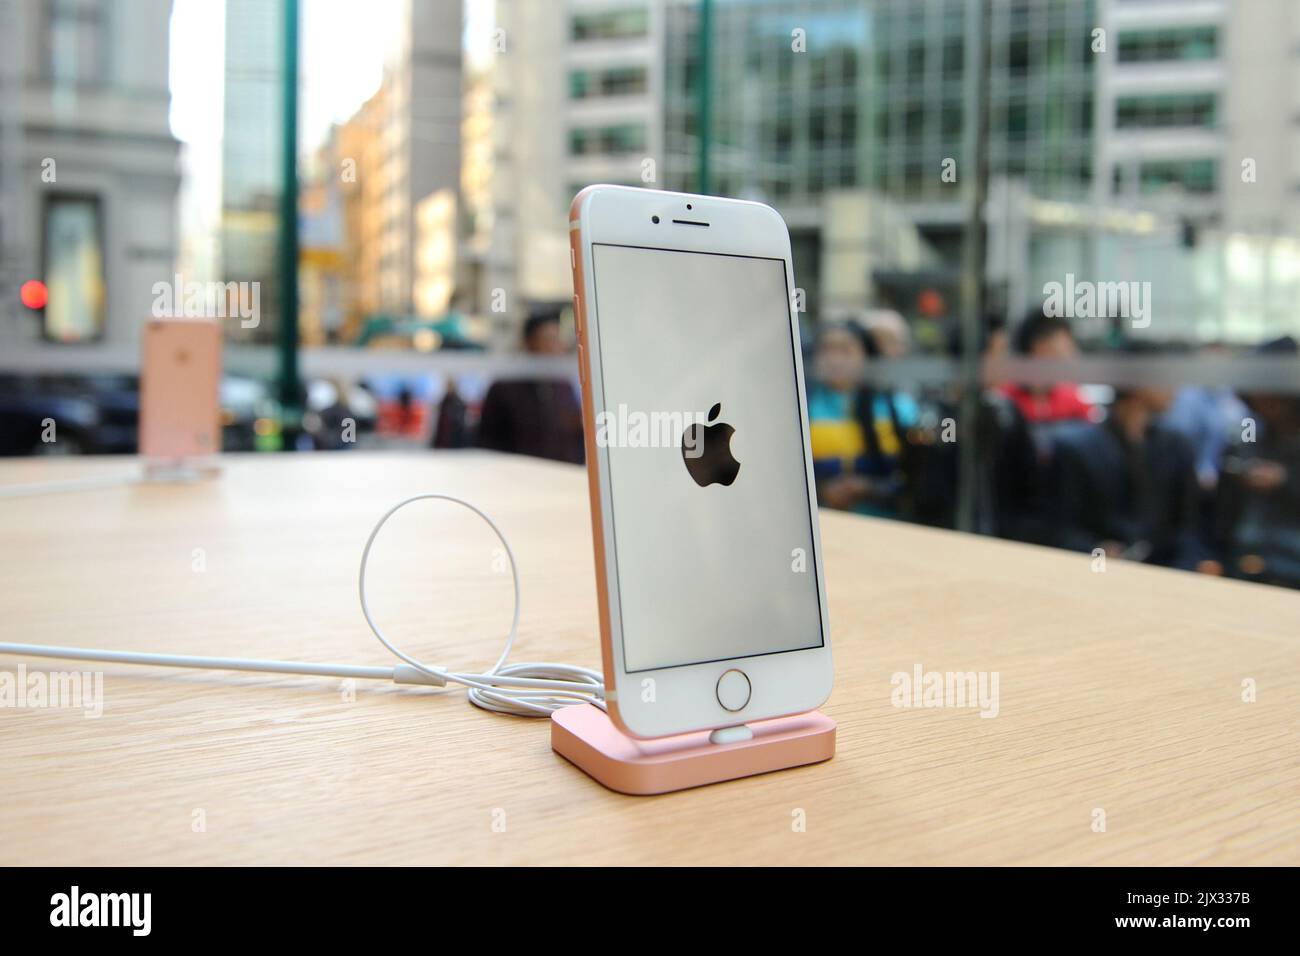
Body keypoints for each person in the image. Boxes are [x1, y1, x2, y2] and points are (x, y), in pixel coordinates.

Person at [1051, 386, 1209, 571]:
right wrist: (1096, 552)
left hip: (1164, 573)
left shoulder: (1176, 446)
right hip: (1097, 571)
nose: (1173, 389)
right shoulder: (1077, 447)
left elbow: (1187, 527)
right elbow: (1059, 527)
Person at [807, 321, 919, 517]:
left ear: (866, 355)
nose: (835, 359)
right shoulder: (804, 408)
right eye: (827, 350)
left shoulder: (898, 408)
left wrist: (868, 488)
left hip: (884, 523)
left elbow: (914, 482)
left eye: (845, 350)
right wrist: (820, 489)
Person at [476, 313, 584, 464]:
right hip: (516, 478)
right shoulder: (504, 387)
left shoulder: (563, 386)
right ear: (529, 343)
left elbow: (574, 438)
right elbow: (487, 442)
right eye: (549, 340)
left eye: (558, 340)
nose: (556, 348)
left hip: (560, 477)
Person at [999, 309, 1095, 424]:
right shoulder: (1005, 401)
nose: (1073, 353)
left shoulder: (1072, 400)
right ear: (1041, 346)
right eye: (1067, 345)